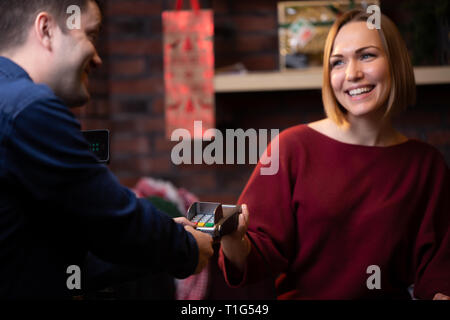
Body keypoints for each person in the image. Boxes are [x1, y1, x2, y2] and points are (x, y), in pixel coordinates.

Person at [219, 9, 450, 300]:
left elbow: (439, 268)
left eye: (367, 56)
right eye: (337, 62)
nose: (352, 74)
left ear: (396, 63)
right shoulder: (291, 148)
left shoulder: (426, 165)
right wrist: (232, 240)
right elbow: (255, 258)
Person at [0, 0, 213, 299]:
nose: (98, 58)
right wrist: (185, 248)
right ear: (46, 29)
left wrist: (167, 239)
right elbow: (112, 218)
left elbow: (59, 266)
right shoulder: (28, 108)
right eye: (89, 35)